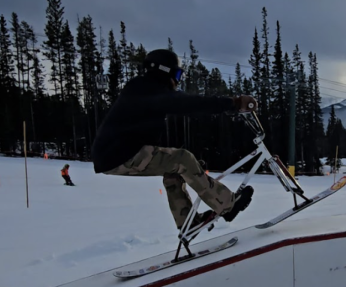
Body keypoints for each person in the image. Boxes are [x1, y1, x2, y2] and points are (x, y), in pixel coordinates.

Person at [91, 48, 257, 231]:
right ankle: (228, 205)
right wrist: (232, 103)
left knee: (176, 168)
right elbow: (188, 104)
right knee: (182, 159)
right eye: (177, 74)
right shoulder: (147, 88)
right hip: (120, 153)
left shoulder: (144, 89)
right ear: (164, 71)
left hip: (114, 155)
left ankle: (187, 221)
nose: (177, 81)